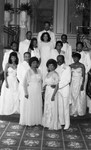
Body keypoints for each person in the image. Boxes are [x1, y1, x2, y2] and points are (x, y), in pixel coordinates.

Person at [19, 57, 42, 126]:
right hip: (30, 90)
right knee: (30, 105)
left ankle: (36, 120)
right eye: (33, 63)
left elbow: (41, 81)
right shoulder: (28, 71)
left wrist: (42, 90)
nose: (35, 64)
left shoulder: (39, 71)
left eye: (36, 62)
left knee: (37, 105)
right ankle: (30, 121)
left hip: (37, 90)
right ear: (30, 64)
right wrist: (26, 93)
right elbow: (24, 83)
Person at [42, 59, 60, 130]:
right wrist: (43, 90)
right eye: (49, 65)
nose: (51, 67)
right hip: (47, 92)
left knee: (52, 107)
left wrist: (53, 95)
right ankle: (47, 122)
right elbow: (46, 84)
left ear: (55, 66)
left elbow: (57, 86)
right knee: (47, 106)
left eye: (52, 65)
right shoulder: (47, 73)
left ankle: (52, 123)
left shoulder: (55, 74)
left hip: (53, 92)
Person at [56, 55, 71, 130]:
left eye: (60, 59)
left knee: (65, 107)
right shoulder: (56, 67)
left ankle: (67, 123)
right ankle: (61, 122)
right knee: (60, 106)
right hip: (58, 90)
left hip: (64, 89)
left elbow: (67, 80)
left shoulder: (67, 67)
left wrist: (58, 85)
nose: (59, 61)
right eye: (58, 59)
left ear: (63, 60)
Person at [70, 52, 86, 117]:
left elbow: (84, 76)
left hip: (79, 81)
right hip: (73, 82)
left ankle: (79, 111)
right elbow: (70, 76)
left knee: (79, 96)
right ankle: (73, 110)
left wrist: (82, 84)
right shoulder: (71, 65)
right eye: (74, 58)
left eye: (76, 58)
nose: (75, 59)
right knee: (73, 96)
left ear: (79, 58)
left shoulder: (82, 65)